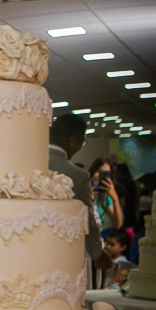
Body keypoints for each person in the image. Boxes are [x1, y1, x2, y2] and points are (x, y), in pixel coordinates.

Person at [48, 114, 111, 275]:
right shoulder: (79, 176)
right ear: (73, 140)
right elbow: (87, 218)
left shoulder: (28, 162)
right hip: (60, 251)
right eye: (83, 142)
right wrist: (98, 253)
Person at [89, 156, 124, 232]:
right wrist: (88, 197)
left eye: (105, 174)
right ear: (92, 171)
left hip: (96, 235)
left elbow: (117, 224)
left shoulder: (105, 197)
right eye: (98, 171)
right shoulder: (82, 190)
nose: (100, 176)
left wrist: (115, 199)